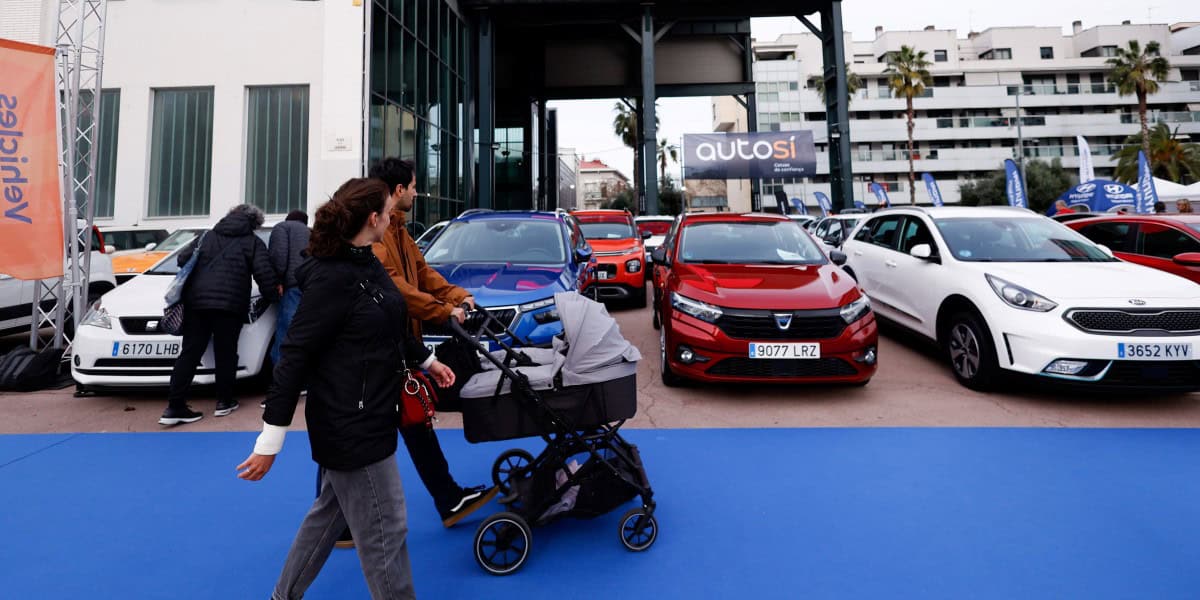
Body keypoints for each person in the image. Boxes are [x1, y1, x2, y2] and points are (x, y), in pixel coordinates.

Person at [238, 178, 456, 600]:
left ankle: (282, 596)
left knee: (326, 519)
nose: (393, 217)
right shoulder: (331, 278)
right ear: (373, 218)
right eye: (388, 211)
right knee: (387, 529)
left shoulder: (365, 261)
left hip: (370, 414)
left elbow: (390, 320)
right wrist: (270, 440)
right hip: (351, 426)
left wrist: (428, 361)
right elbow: (294, 356)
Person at [368, 157, 496, 530]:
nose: (417, 192)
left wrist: (458, 295)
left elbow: (423, 274)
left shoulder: (398, 230)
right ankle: (342, 521)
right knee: (365, 434)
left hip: (401, 343)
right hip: (380, 349)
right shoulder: (378, 234)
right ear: (398, 191)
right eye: (413, 186)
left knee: (414, 421)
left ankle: (448, 497)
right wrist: (443, 311)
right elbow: (395, 288)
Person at [159, 204, 279, 426]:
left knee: (190, 353)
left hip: (196, 304)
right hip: (230, 306)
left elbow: (182, 259)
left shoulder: (206, 237)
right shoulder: (252, 242)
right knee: (226, 352)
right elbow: (264, 274)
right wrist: (275, 297)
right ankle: (224, 401)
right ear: (254, 224)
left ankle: (174, 406)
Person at [268, 210, 310, 367]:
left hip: (292, 286)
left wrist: (277, 280)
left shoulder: (282, 227)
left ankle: (281, 373)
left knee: (286, 332)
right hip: (311, 287)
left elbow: (278, 256)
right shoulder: (311, 232)